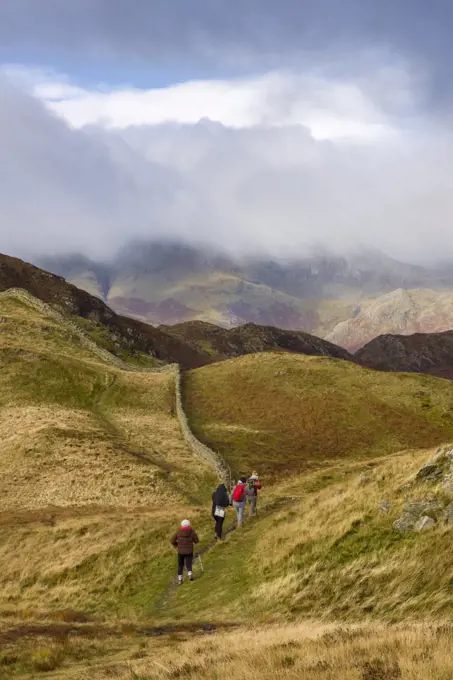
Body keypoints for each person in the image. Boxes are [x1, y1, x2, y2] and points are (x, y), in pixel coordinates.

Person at [170, 519, 199, 584]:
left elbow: (172, 540)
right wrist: (194, 542)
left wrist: (176, 545)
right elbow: (196, 540)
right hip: (189, 551)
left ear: (182, 525)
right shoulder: (191, 531)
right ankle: (190, 574)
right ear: (189, 525)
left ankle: (180, 579)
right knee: (188, 563)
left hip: (181, 551)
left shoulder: (178, 531)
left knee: (180, 565)